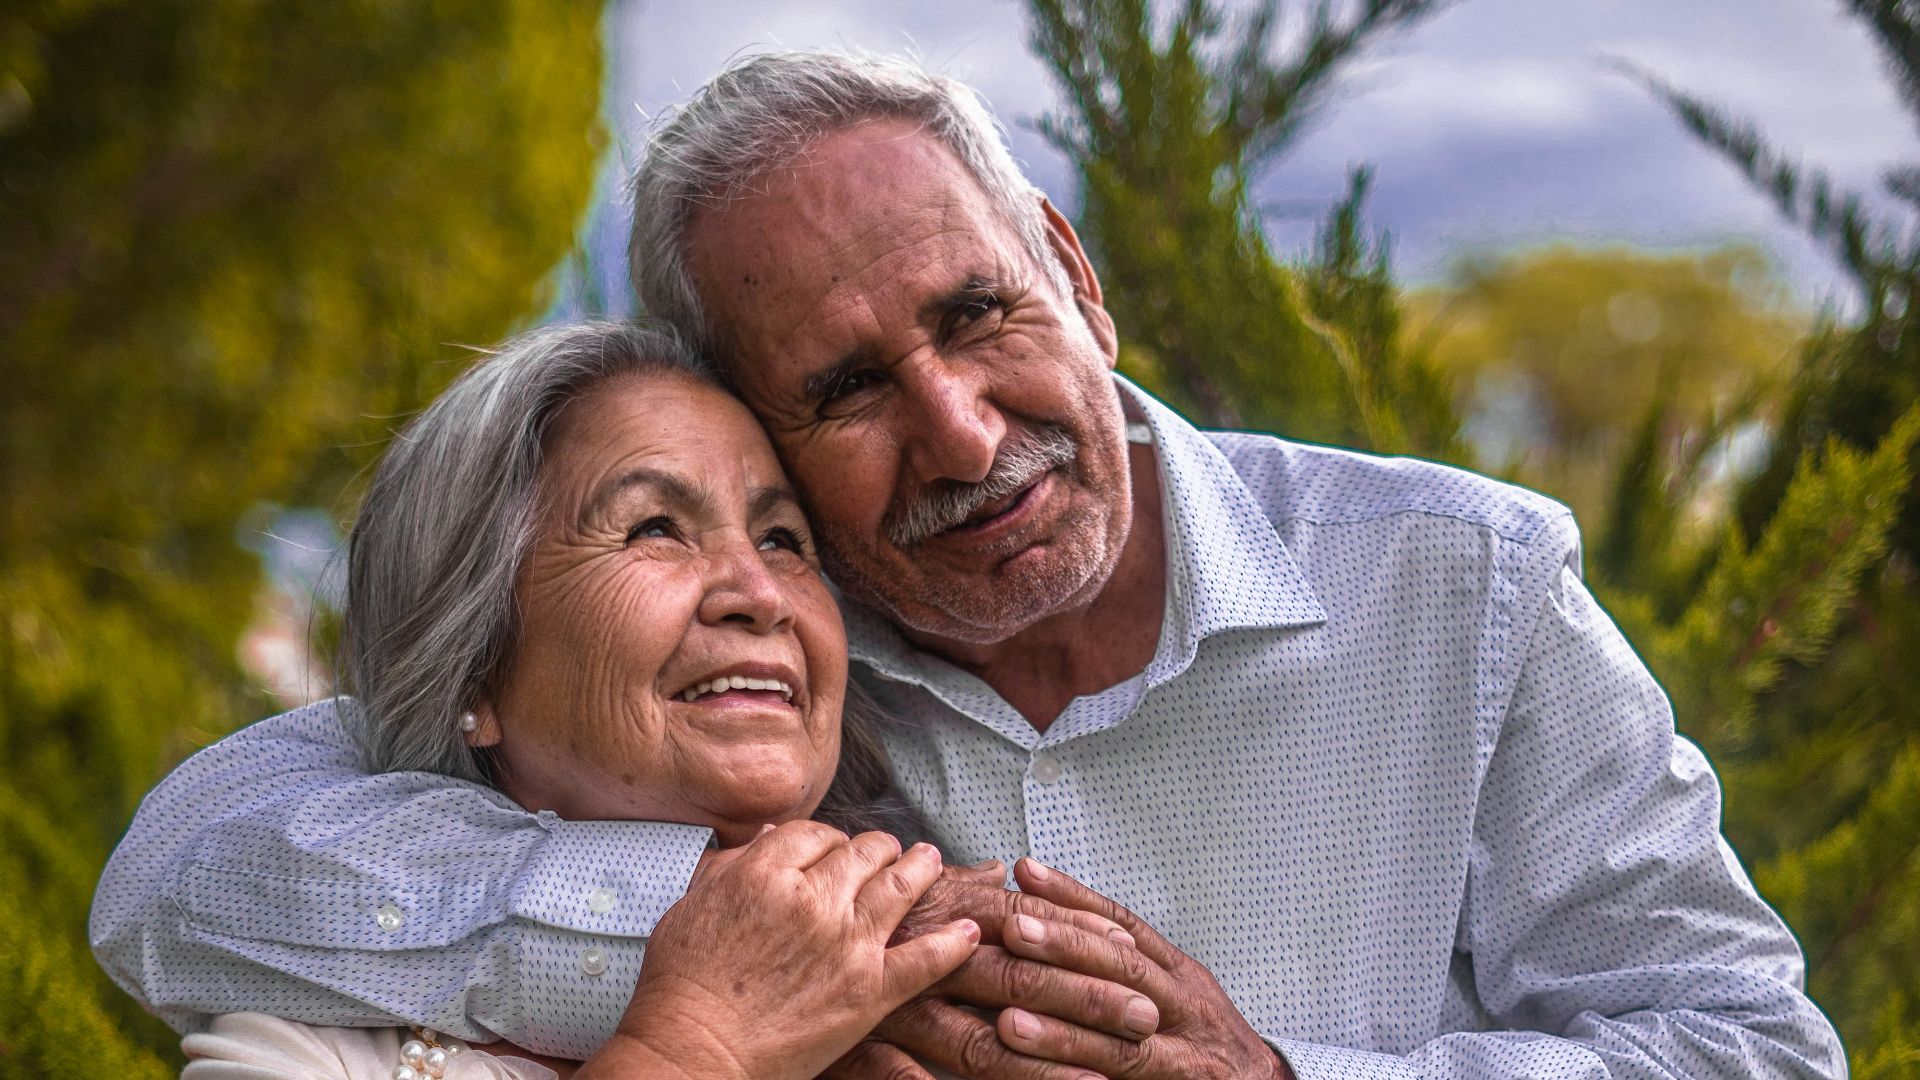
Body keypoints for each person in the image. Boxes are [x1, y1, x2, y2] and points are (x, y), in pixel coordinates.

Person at [95, 51, 1846, 1079]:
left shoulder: (1468, 587)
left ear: (1074, 276)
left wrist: (1279, 1077)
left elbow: (1751, 1048)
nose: (956, 431)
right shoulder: (761, 663)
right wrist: (796, 966)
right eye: (846, 390)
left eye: (978, 314)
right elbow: (183, 868)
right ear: (760, 431)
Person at [172, 318, 1021, 1078]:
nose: (760, 591)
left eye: (782, 538)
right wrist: (693, 1051)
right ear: (475, 668)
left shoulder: (962, 1015)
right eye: (653, 527)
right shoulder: (304, 1055)